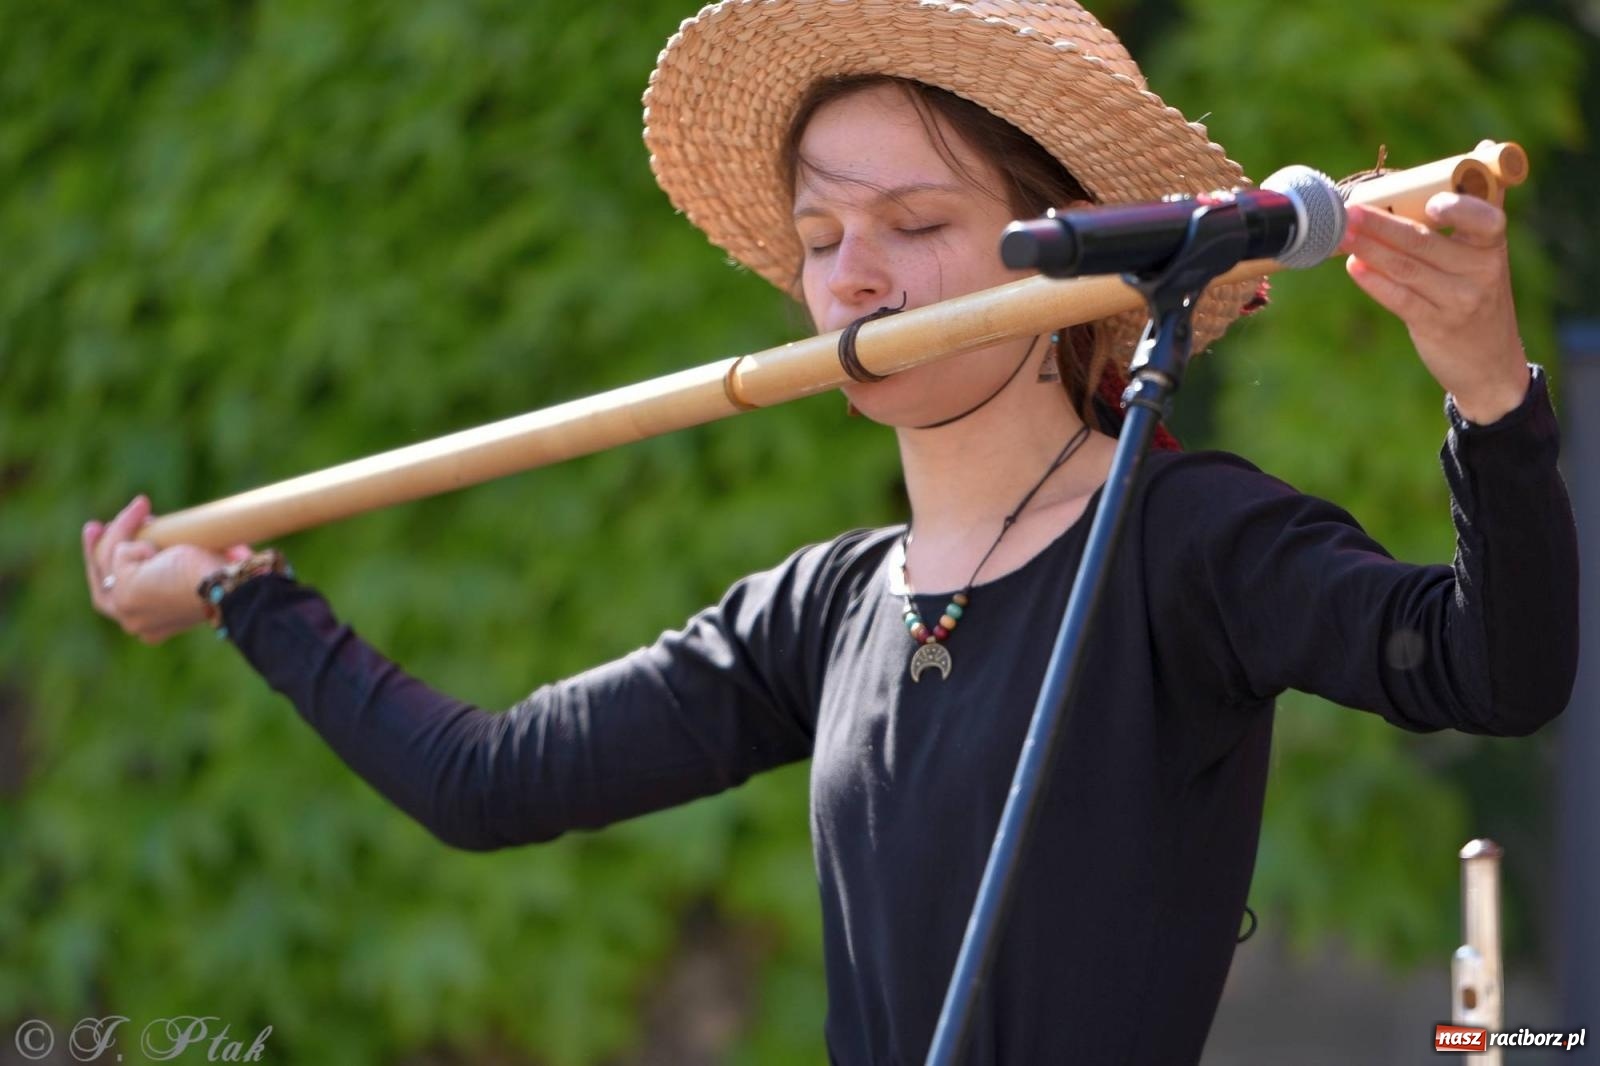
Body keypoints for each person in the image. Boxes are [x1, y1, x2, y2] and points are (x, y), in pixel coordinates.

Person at [82, 1, 1578, 1062]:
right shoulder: (828, 609)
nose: (856, 275)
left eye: (917, 225)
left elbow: (1492, 670)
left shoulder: (1182, 540)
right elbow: (489, 782)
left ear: (1062, 247)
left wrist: (1490, 393)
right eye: (818, 239)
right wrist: (246, 600)